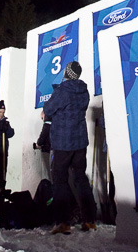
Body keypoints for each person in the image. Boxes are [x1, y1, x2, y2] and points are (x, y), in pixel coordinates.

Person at [43, 61, 97, 235]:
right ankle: (89, 220)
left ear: (66, 72)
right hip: (80, 143)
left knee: (60, 181)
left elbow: (48, 109)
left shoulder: (62, 91)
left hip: (63, 143)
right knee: (80, 178)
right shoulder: (84, 91)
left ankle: (63, 222)